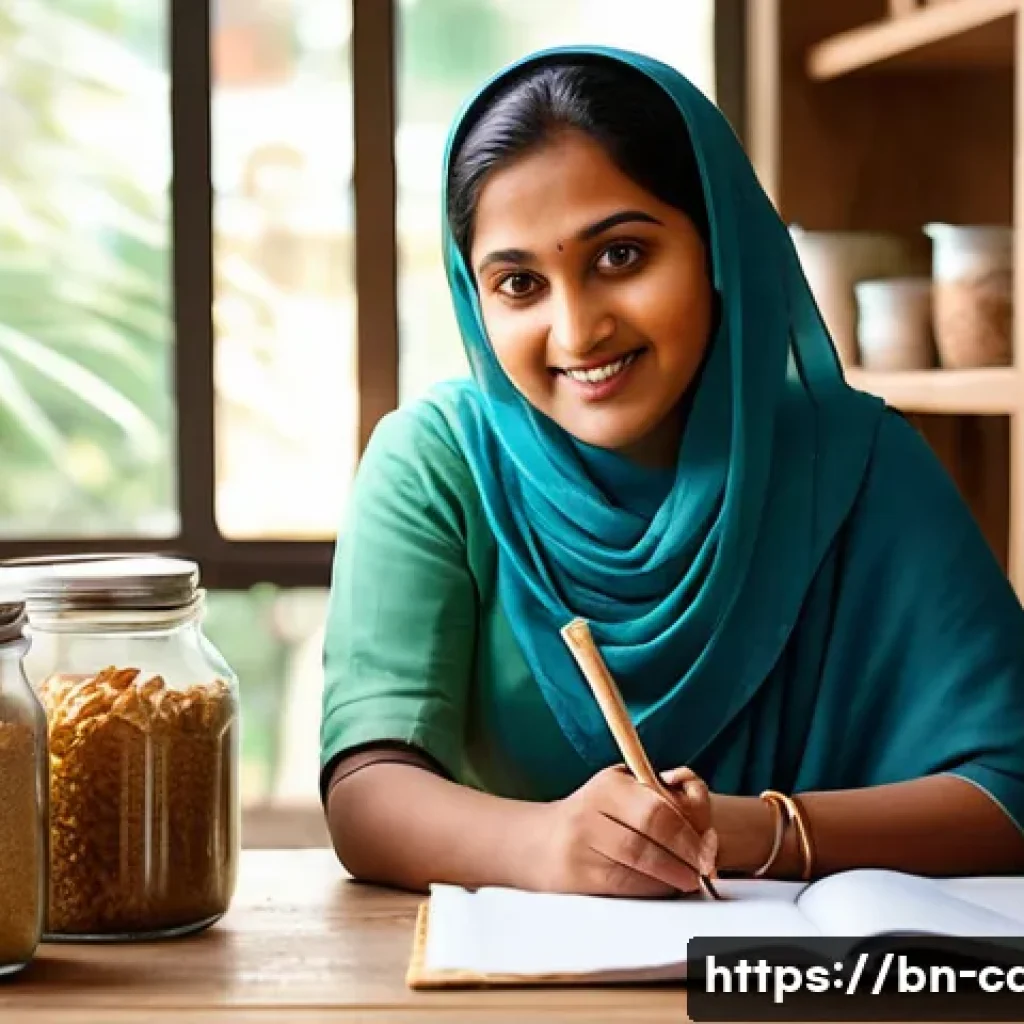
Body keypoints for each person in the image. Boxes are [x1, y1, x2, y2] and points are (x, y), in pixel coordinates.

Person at [318, 45, 1024, 897]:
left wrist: (750, 828)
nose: (577, 333)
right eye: (518, 283)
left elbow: (1009, 791)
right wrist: (545, 844)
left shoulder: (858, 462)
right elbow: (366, 791)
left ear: (717, 246)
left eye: (620, 256)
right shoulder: (437, 465)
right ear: (476, 299)